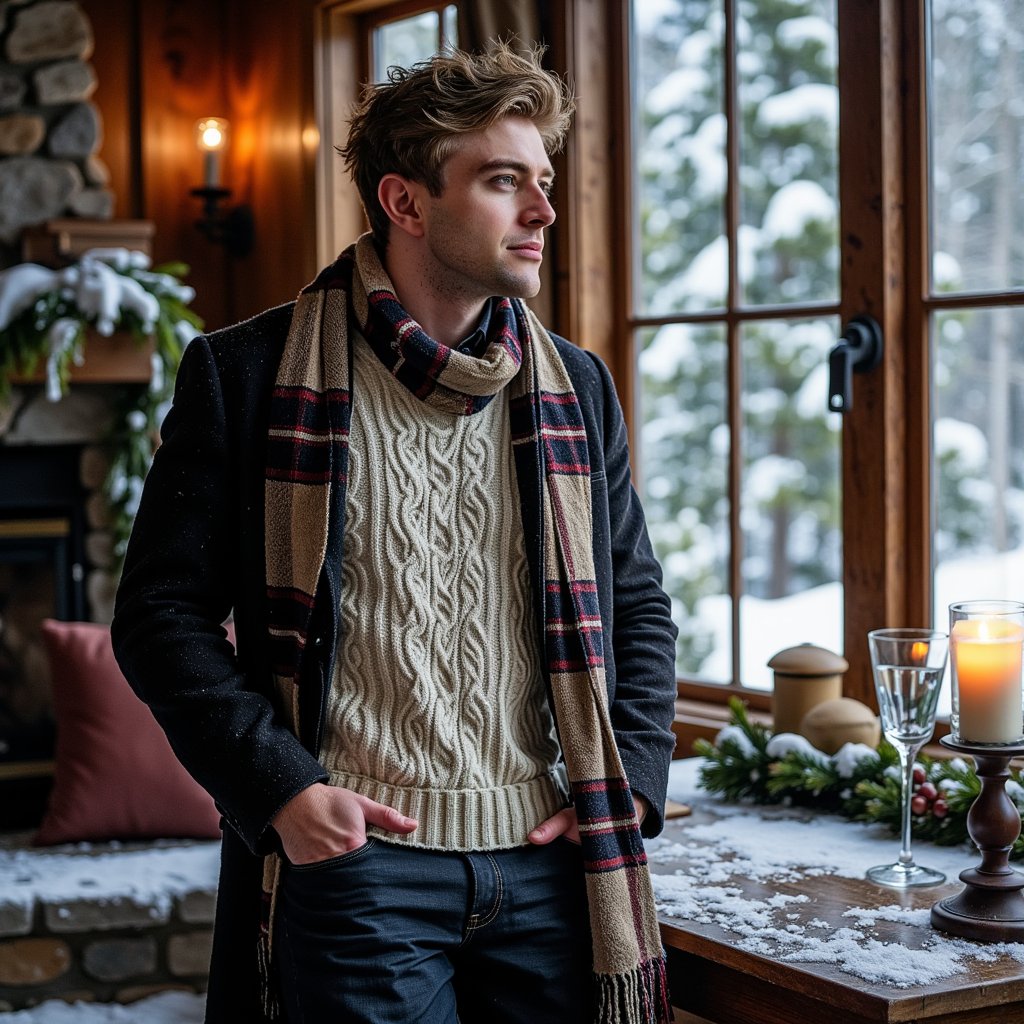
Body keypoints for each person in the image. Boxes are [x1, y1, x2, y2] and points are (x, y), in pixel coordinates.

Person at [112, 41, 678, 1024]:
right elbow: (160, 616)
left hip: (551, 861)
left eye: (542, 181)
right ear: (406, 202)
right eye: (505, 182)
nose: (544, 211)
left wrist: (629, 779)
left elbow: (634, 604)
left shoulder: (576, 388)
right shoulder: (245, 375)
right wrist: (280, 788)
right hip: (359, 870)